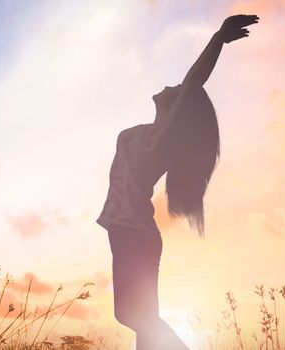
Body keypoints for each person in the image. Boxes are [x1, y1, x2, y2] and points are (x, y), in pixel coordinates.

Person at [96, 14, 259, 350]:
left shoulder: (161, 139)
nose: (171, 87)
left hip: (135, 233)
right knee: (141, 320)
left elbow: (192, 82)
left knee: (131, 314)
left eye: (177, 91)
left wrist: (218, 39)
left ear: (179, 109)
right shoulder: (147, 134)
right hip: (127, 231)